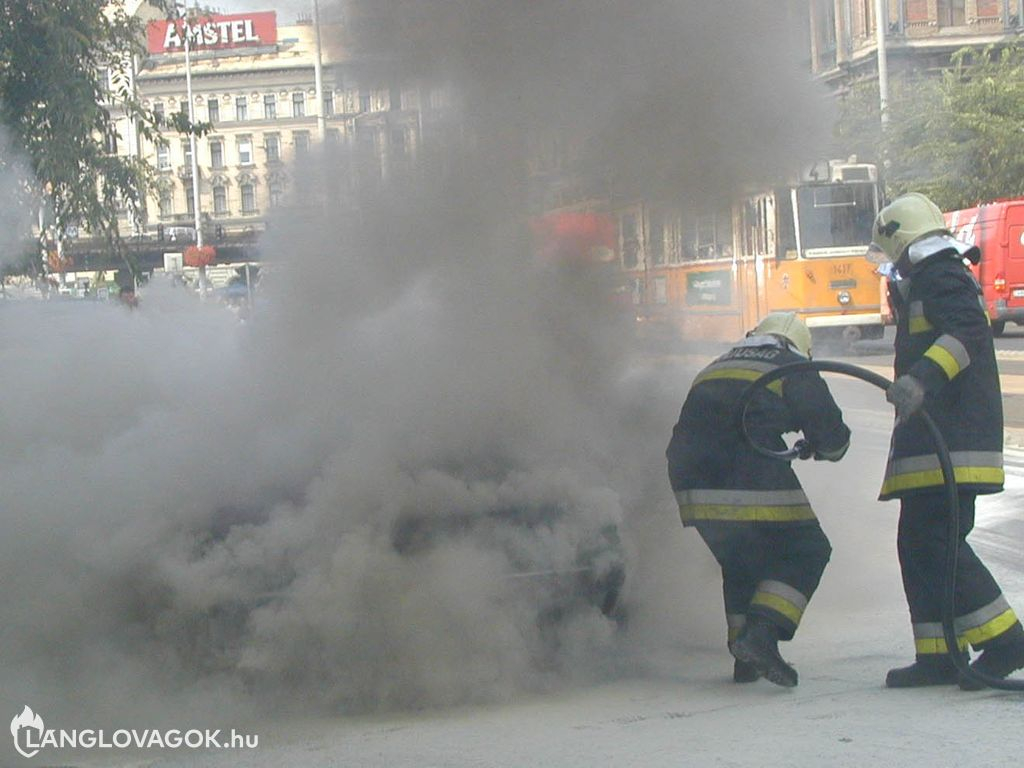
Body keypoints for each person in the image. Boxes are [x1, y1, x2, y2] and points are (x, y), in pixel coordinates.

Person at [869, 192, 1024, 688]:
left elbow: (966, 335)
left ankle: (1005, 640)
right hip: (933, 445)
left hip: (952, 444)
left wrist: (920, 380)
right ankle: (938, 653)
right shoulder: (926, 279)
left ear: (901, 241)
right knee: (918, 545)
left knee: (937, 541)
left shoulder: (940, 273)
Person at [666, 312, 851, 687]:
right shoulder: (792, 366)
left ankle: (744, 656)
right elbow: (834, 439)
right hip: (745, 472)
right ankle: (762, 636)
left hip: (689, 480)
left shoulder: (717, 365)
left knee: (740, 559)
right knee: (808, 549)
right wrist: (818, 446)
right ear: (800, 346)